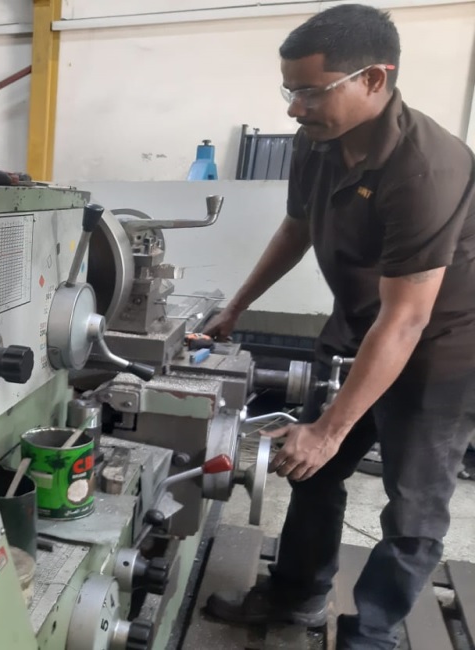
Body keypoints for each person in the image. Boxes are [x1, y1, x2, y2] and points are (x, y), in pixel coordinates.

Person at [202, 5, 475, 648]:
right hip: (357, 325)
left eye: (310, 91)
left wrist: (331, 430)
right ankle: (295, 596)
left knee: (413, 508)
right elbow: (296, 228)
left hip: (441, 349)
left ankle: (370, 635)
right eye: (289, 90)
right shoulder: (316, 141)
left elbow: (407, 319)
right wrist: (236, 308)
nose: (295, 108)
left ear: (374, 79)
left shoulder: (428, 166)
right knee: (312, 470)